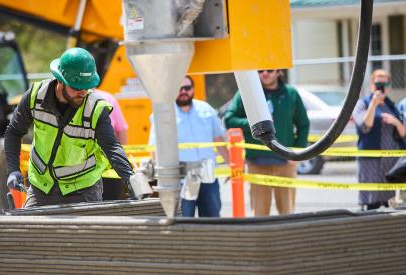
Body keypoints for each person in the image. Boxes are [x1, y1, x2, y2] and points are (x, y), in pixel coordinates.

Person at [4, 47, 137, 208]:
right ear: (60, 80)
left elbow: (112, 147)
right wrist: (13, 169)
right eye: (76, 87)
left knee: (81, 234)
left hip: (83, 189)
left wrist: (131, 180)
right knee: (31, 232)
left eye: (86, 87)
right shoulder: (35, 96)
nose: (82, 92)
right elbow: (13, 132)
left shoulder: (95, 109)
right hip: (41, 187)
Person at [224, 69, 309, 217]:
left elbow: (303, 124)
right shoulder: (247, 91)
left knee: (287, 213)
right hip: (257, 162)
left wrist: (296, 153)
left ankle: (287, 240)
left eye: (269, 70)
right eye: (260, 71)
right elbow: (229, 119)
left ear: (278, 72)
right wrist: (255, 123)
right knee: (260, 214)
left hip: (286, 161)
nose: (264, 74)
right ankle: (261, 240)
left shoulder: (291, 94)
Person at [148, 76, 229, 217]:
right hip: (180, 180)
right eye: (179, 89)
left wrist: (230, 164)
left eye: (187, 88)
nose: (183, 91)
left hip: (208, 177)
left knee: (213, 221)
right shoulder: (162, 114)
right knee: (183, 222)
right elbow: (155, 147)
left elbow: (218, 138)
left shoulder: (206, 109)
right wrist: (158, 176)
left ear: (193, 89)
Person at [353, 69, 406, 210]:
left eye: (385, 83)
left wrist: (396, 122)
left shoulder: (392, 106)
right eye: (378, 83)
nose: (382, 86)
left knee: (388, 201)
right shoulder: (363, 103)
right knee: (372, 201)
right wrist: (374, 104)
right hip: (371, 160)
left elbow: (403, 134)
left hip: (391, 161)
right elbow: (365, 126)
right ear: (372, 85)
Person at [95, 90, 130, 200]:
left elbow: (121, 130)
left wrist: (122, 162)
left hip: (109, 170)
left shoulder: (108, 99)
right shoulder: (74, 99)